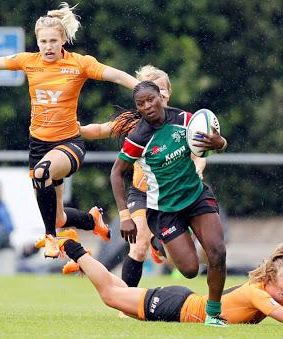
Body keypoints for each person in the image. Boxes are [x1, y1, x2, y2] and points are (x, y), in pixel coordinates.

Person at [0, 3, 140, 258]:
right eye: (43, 41)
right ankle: (91, 220)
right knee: (58, 216)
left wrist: (144, 90)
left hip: (69, 144)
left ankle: (50, 239)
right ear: (37, 41)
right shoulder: (28, 62)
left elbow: (118, 76)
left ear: (63, 40)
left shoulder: (80, 64)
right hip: (38, 146)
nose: (47, 46)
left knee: (43, 174)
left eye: (53, 41)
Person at [110, 81, 228, 326]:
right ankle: (158, 241)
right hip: (164, 210)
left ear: (161, 98)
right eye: (140, 104)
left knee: (217, 252)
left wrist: (220, 144)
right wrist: (125, 216)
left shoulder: (185, 120)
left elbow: (213, 143)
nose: (147, 106)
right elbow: (115, 173)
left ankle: (213, 314)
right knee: (189, 270)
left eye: (151, 100)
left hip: (196, 197)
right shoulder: (138, 138)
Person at [80, 65, 206, 287]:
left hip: (172, 197)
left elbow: (199, 154)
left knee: (183, 264)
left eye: (161, 90)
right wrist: (73, 129)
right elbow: (100, 130)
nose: (155, 96)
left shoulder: (182, 120)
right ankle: (127, 302)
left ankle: (159, 244)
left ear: (167, 93)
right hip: (142, 194)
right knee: (138, 247)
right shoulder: (133, 123)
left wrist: (198, 168)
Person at [59, 234, 283, 327]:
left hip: (182, 301)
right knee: (112, 296)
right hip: (176, 306)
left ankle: (85, 266)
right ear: (270, 279)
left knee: (121, 294)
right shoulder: (257, 293)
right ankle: (75, 248)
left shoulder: (270, 294)